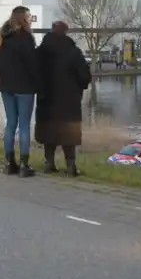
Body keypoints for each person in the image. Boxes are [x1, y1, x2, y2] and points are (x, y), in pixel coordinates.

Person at [34, 21, 92, 177]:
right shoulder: (73, 52)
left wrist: (39, 89)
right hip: (69, 100)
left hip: (46, 99)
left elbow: (32, 73)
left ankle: (49, 163)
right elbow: (85, 76)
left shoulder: (40, 52)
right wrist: (80, 87)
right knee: (69, 133)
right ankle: (71, 166)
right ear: (66, 32)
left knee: (48, 130)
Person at [0, 6, 39, 177]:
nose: (30, 19)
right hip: (24, 87)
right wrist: (38, 85)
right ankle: (24, 165)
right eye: (28, 16)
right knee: (25, 126)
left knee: (11, 124)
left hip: (7, 87)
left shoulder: (2, 38)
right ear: (22, 18)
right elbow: (32, 65)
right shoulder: (26, 38)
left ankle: (9, 163)